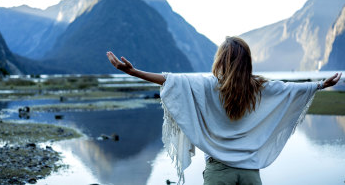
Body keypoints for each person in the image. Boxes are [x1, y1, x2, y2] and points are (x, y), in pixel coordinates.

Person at [106, 36, 342, 185]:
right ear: (246, 62)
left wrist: (134, 72)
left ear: (220, 61)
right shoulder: (260, 88)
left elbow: (170, 80)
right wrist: (321, 84)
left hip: (219, 173)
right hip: (250, 174)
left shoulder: (209, 85)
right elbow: (290, 90)